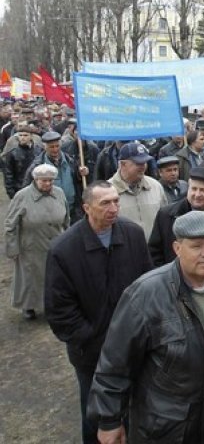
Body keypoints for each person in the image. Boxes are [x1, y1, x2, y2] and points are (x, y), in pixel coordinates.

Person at [87, 211, 204, 443]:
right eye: (196, 246)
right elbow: (115, 364)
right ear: (177, 248)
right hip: (166, 428)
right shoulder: (145, 294)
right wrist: (109, 420)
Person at [44, 181, 153, 443]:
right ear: (86, 208)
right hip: (92, 354)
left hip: (135, 345)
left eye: (116, 201)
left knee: (136, 408)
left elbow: (148, 285)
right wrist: (92, 338)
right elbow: (60, 312)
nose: (114, 208)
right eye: (105, 203)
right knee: (97, 417)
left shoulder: (133, 235)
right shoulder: (63, 250)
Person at [4, 164, 70, 320]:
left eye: (50, 181)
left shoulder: (59, 193)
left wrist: (68, 239)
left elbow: (66, 219)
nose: (47, 184)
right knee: (30, 278)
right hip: (31, 245)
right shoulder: (22, 196)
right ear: (35, 179)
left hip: (55, 242)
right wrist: (13, 248)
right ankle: (28, 306)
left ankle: (53, 305)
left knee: (55, 277)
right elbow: (10, 224)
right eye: (44, 181)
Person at [108, 141, 167, 239]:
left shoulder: (155, 186)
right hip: (124, 251)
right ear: (123, 164)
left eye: (145, 162)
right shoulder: (108, 191)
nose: (143, 167)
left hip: (153, 252)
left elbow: (165, 221)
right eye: (138, 163)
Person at [3, 124, 41, 199]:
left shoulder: (39, 151)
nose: (22, 138)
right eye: (20, 135)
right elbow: (8, 175)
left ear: (31, 136)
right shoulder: (12, 153)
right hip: (19, 189)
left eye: (25, 135)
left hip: (37, 188)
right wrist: (12, 193)